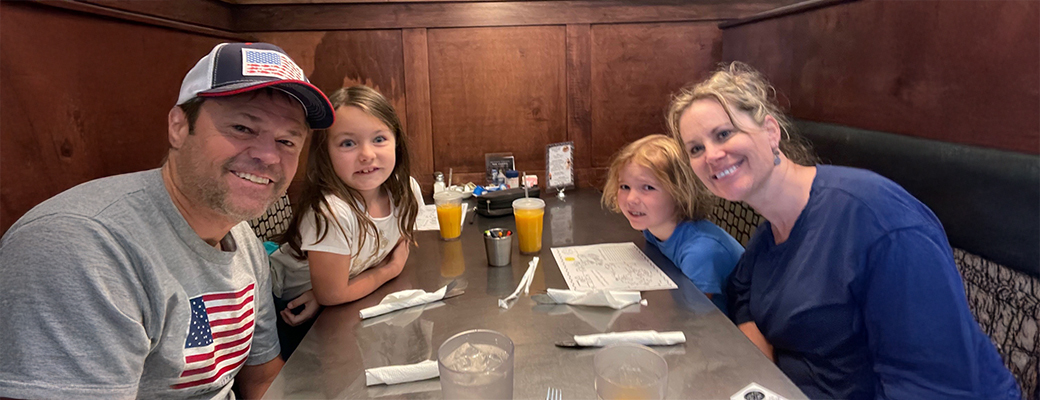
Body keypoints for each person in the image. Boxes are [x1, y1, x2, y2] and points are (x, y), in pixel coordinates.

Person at [0, 42, 334, 399]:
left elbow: (263, 379)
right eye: (242, 128)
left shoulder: (243, 239)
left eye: (287, 140)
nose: (268, 155)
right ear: (178, 126)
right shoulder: (81, 245)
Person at [667, 62, 1020, 399]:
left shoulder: (875, 217)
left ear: (771, 132)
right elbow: (742, 294)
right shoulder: (769, 234)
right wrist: (763, 371)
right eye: (696, 148)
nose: (711, 155)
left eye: (724, 133)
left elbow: (934, 385)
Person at [267, 85, 419, 356]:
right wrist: (391, 269)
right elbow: (333, 294)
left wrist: (329, 290)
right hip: (285, 309)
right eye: (348, 143)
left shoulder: (406, 190)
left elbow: (401, 235)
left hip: (333, 298)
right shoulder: (332, 211)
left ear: (397, 140)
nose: (367, 155)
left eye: (379, 139)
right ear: (325, 153)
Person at [601, 134, 744, 313]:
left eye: (648, 187)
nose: (631, 199)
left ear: (681, 193)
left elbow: (697, 317)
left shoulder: (700, 253)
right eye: (624, 187)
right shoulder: (653, 227)